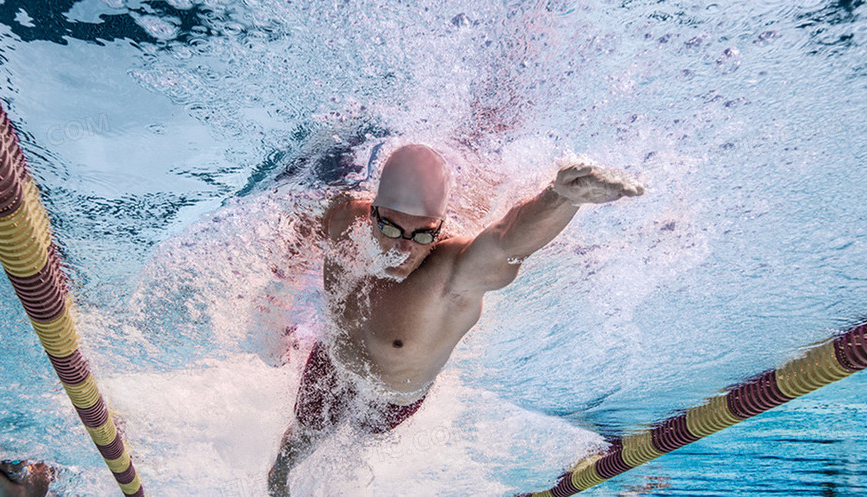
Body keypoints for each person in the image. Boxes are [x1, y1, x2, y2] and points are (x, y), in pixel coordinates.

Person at [267, 144, 644, 496]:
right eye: (390, 228)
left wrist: (560, 198)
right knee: (302, 438)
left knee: (353, 443)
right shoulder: (346, 221)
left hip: (390, 398)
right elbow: (303, 227)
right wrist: (274, 300)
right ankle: (278, 483)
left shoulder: (451, 275)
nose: (404, 247)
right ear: (374, 213)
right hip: (330, 362)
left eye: (423, 234)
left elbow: (506, 240)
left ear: (440, 227)